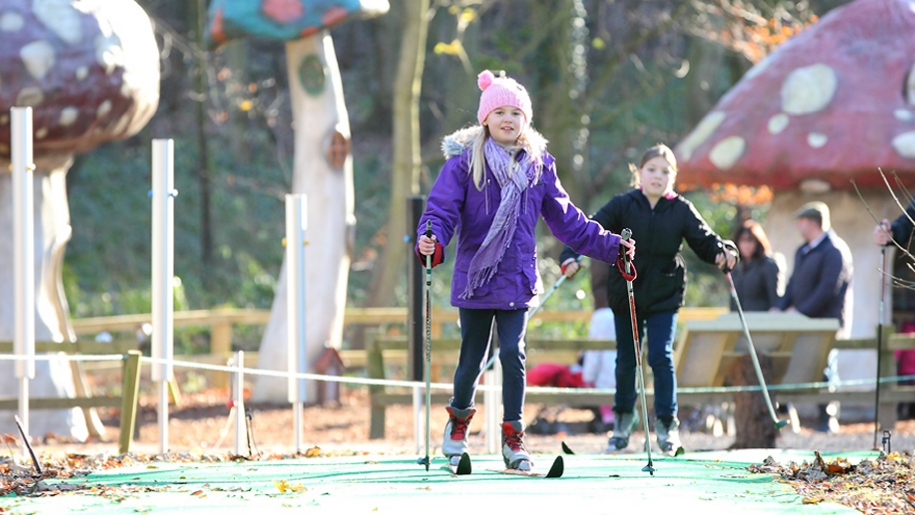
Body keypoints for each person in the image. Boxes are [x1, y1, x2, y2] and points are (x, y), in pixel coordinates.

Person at [415, 70, 634, 472]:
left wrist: (610, 245)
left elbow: (568, 221)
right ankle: (458, 426)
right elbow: (440, 211)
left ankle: (514, 438)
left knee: (513, 353)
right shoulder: (465, 165)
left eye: (515, 112)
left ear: (525, 120)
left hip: (516, 276)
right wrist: (432, 239)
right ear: (485, 118)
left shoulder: (538, 167)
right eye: (499, 111)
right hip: (476, 278)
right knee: (472, 356)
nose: (507, 119)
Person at [560, 144, 737, 455]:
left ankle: (668, 426)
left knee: (661, 357)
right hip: (625, 292)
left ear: (673, 177)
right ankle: (622, 424)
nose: (658, 176)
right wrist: (570, 254)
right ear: (639, 173)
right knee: (627, 360)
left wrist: (724, 252)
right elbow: (589, 228)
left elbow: (705, 240)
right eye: (652, 169)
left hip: (664, 294)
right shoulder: (623, 205)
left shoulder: (680, 209)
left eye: (665, 171)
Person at [779, 201, 853, 433]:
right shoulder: (804, 250)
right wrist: (781, 308)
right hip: (801, 322)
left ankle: (827, 416)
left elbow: (828, 288)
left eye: (802, 221)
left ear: (812, 223)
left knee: (824, 367)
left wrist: (802, 312)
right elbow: (793, 283)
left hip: (826, 322)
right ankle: (787, 412)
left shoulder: (834, 250)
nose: (799, 226)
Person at [730, 219, 784, 312]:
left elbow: (775, 299)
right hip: (739, 319)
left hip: (761, 319)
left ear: (757, 242)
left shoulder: (768, 265)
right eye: (743, 240)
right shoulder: (736, 266)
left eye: (750, 240)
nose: (746, 245)